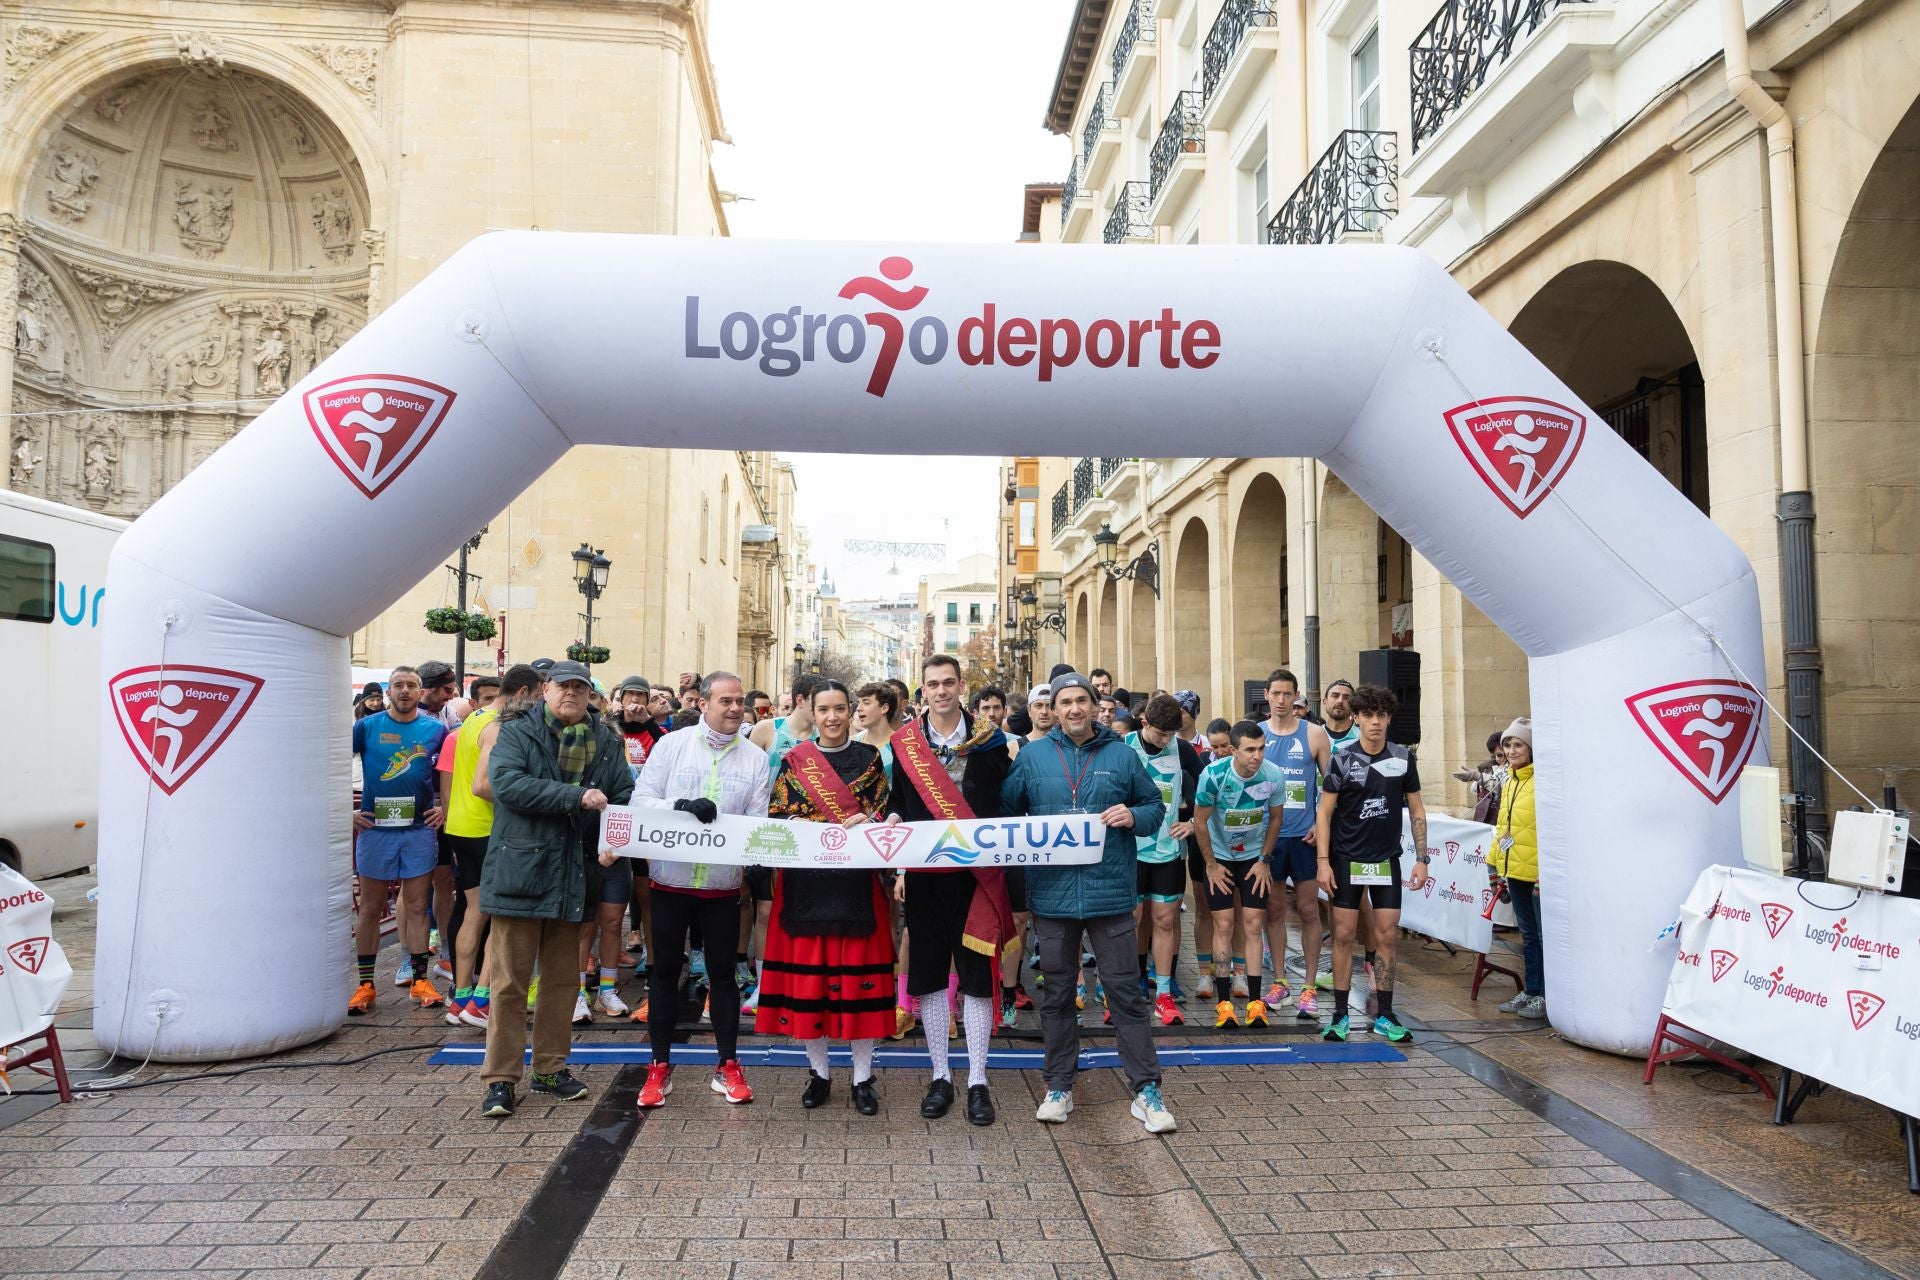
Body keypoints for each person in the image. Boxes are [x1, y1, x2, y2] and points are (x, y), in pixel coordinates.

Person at [1003, 672, 1175, 1134]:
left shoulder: (1122, 754)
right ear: (1052, 710)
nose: (1074, 709)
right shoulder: (1032, 755)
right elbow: (1005, 811)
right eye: (1065, 702)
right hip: (1053, 897)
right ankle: (1059, 1085)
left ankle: (1146, 1090)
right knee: (1057, 995)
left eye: (1082, 700)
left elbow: (1154, 808)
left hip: (1110, 894)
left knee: (1125, 994)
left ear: (1095, 705)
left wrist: (1133, 814)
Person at [476, 660, 634, 1118]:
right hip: (521, 870)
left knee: (564, 981)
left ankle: (549, 1068)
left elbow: (623, 793)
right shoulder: (519, 730)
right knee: (509, 983)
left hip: (576, 872)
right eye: (563, 686)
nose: (571, 694)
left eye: (580, 688)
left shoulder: (605, 740)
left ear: (590, 695)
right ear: (545, 689)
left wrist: (614, 841)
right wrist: (574, 796)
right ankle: (501, 1079)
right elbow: (506, 784)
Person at [631, 672, 770, 1109]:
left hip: (721, 887)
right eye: (725, 700)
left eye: (739, 701)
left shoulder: (755, 759)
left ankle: (727, 1064)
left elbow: (756, 823)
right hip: (670, 881)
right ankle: (658, 1067)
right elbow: (640, 801)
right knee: (666, 973)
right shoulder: (672, 746)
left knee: (724, 976)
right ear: (705, 703)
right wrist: (680, 807)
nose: (733, 708)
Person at [755, 681, 894, 1114]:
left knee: (859, 989)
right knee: (810, 988)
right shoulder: (794, 760)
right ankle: (819, 1074)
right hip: (805, 886)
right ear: (810, 712)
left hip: (856, 886)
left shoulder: (870, 759)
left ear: (851, 711)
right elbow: (776, 815)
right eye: (824, 710)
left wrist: (868, 821)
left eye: (839, 709)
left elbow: (886, 814)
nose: (832, 717)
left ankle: (862, 1077)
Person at [889, 653, 1013, 1127]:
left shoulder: (990, 741)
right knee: (930, 977)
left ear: (962, 686)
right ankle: (940, 1074)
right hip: (925, 874)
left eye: (948, 683)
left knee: (978, 976)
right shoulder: (905, 744)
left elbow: (1003, 803)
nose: (941, 691)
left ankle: (978, 1078)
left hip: (977, 875)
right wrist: (896, 831)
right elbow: (899, 802)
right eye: (932, 684)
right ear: (923, 691)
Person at [1315, 684, 1428, 1044]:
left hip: (1386, 861)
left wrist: (1423, 859)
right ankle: (1339, 1015)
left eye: (1381, 715)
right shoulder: (1342, 758)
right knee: (1345, 936)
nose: (1375, 722)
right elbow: (1324, 813)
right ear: (1357, 718)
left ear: (1389, 718)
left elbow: (1418, 811)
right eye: (1368, 715)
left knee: (1386, 937)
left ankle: (1386, 1014)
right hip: (1347, 860)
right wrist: (1323, 862)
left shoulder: (1402, 758)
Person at [438, 664, 545, 1028]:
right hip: (487, 830)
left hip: (463, 827)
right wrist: (528, 799)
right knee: (502, 918)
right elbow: (483, 785)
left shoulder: (475, 716)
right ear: (522, 693)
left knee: (474, 913)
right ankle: (480, 1002)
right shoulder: (500, 725)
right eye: (537, 697)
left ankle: (461, 998)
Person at [347, 666, 447, 1016]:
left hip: (417, 829)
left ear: (421, 693)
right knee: (372, 909)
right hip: (376, 830)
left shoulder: (436, 729)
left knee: (418, 906)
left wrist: (443, 809)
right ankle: (365, 985)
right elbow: (331, 763)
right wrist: (346, 808)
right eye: (398, 685)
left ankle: (420, 980)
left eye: (411, 686)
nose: (404, 691)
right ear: (389, 692)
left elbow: (445, 775)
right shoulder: (366, 726)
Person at [1195, 721, 1287, 1027]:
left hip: (1253, 858)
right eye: (1250, 750)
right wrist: (1210, 865)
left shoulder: (1273, 774)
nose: (1257, 756)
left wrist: (1265, 859)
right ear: (1233, 750)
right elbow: (1200, 822)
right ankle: (1224, 1004)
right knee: (1223, 924)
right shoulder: (1213, 775)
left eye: (1261, 748)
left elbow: (1275, 819)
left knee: (1252, 924)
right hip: (1220, 857)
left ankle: (1255, 1003)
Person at [1259, 669, 1334, 1022]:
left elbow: (1332, 789)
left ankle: (1308, 987)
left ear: (1296, 697)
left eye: (1288, 694)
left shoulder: (1315, 735)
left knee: (1307, 911)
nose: (1281, 700)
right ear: (1267, 695)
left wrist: (1322, 826)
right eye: (1276, 693)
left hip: (1304, 837)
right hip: (1270, 840)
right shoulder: (1256, 736)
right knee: (1273, 912)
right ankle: (1279, 982)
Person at [1125, 694, 1202, 1027]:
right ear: (1144, 724)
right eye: (1160, 734)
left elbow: (1208, 789)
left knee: (1164, 920)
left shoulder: (1182, 748)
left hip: (1167, 851)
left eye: (1172, 733)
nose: (1167, 740)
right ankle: (1131, 983)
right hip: (1130, 851)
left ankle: (1165, 992)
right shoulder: (1123, 747)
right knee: (1133, 919)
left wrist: (1194, 822)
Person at [1490, 718, 1544, 1019]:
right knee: (1528, 935)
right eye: (1508, 744)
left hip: (1537, 873)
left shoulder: (1543, 781)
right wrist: (1495, 862)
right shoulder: (1510, 781)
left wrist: (1544, 872)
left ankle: (1545, 995)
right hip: (1515, 870)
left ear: (1532, 748)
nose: (1511, 750)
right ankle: (1531, 989)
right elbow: (1504, 828)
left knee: (1542, 936)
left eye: (1518, 744)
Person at [1321, 679, 1360, 749]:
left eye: (1346, 697)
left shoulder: (1362, 737)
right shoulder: (1313, 735)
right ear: (1325, 702)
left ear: (1353, 705)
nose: (1340, 701)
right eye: (1335, 696)